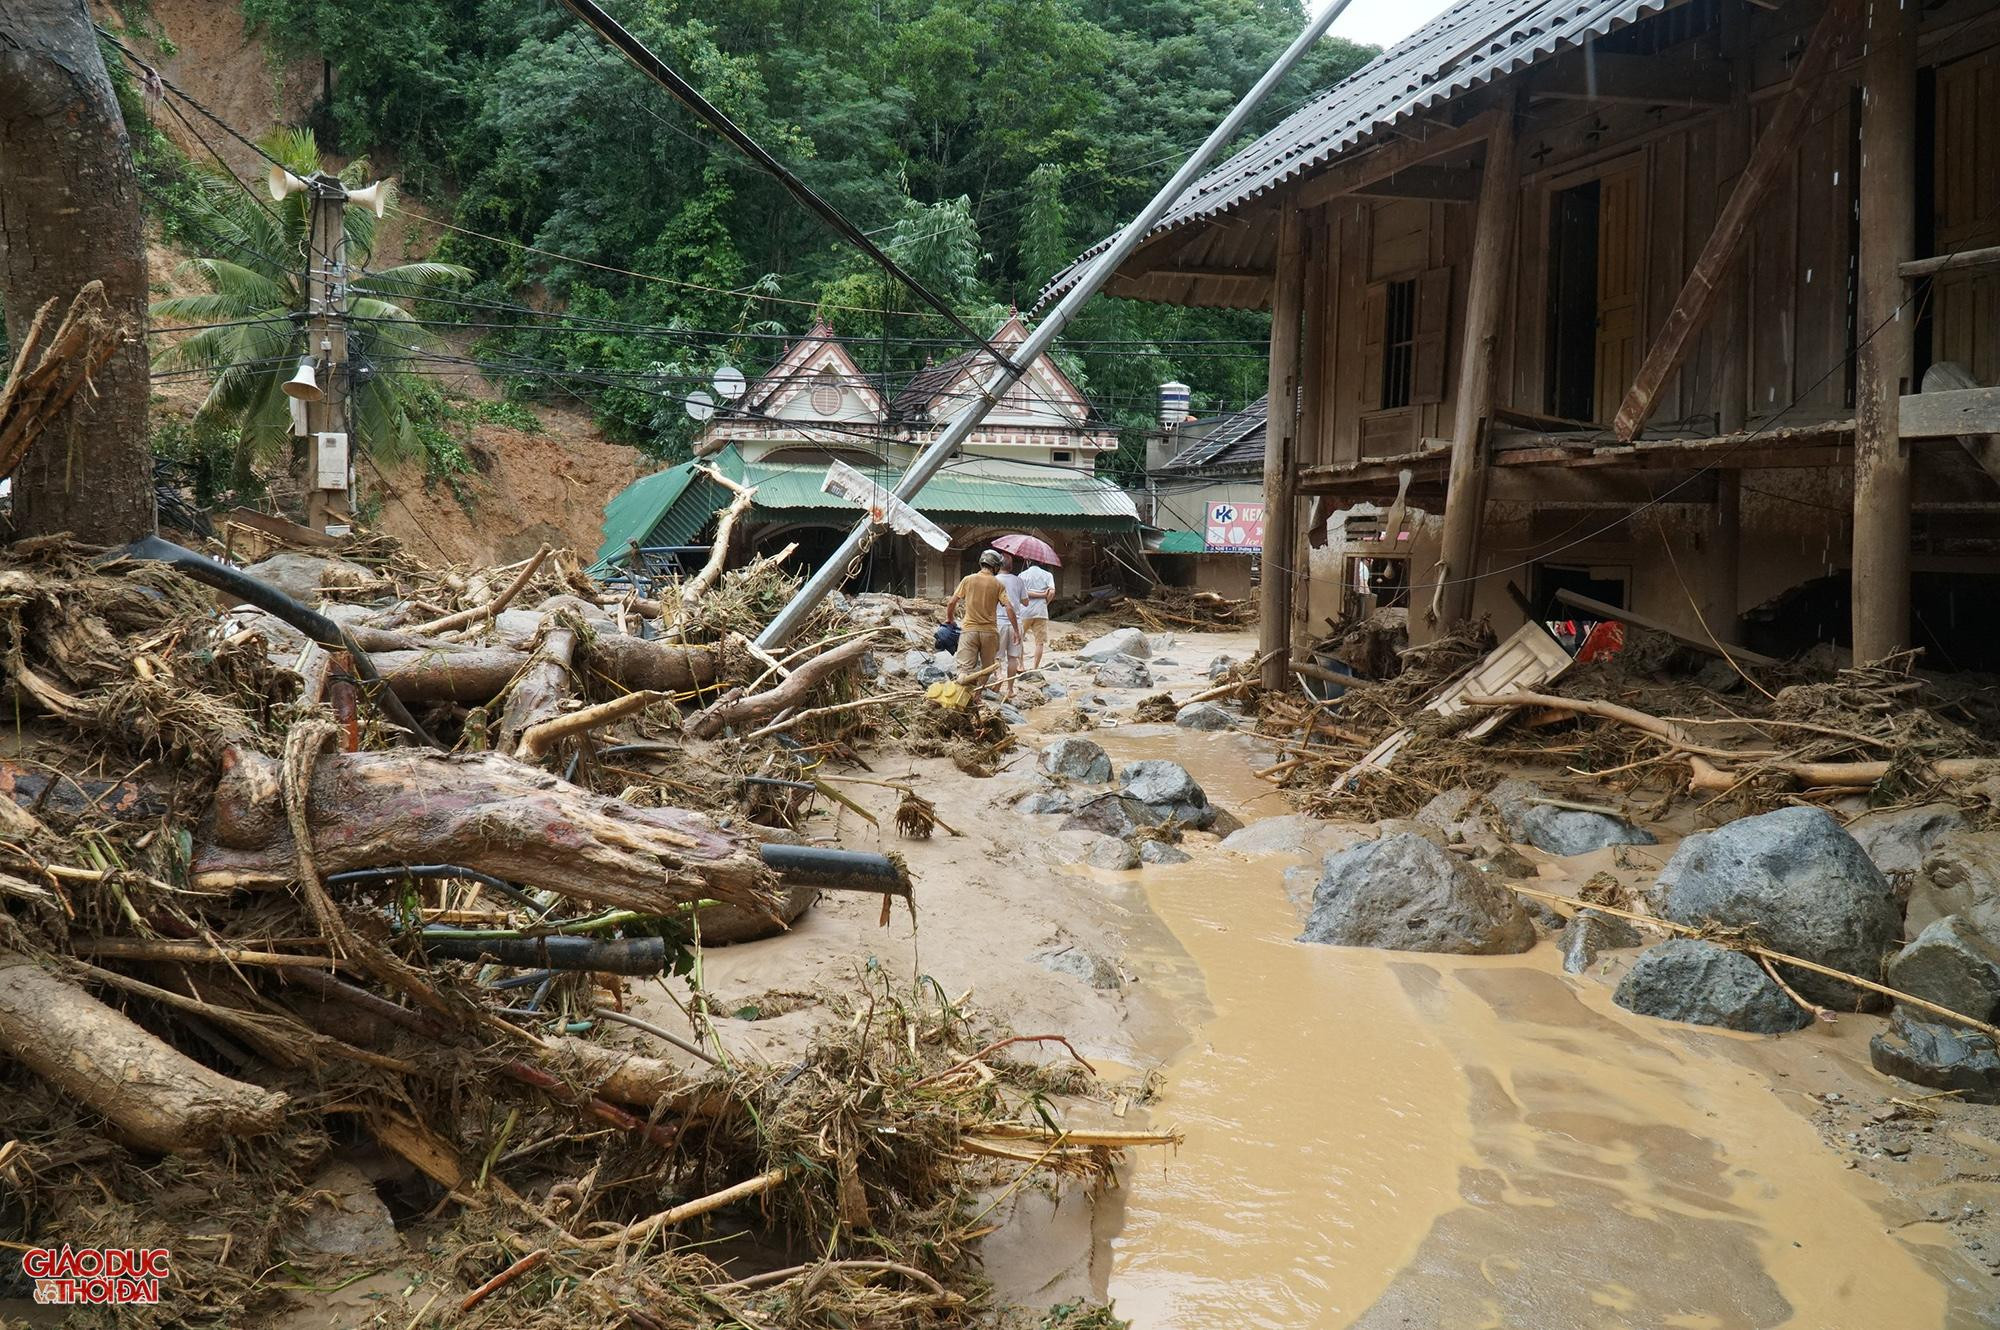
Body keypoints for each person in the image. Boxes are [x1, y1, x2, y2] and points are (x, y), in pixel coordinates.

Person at [944, 549, 1018, 691]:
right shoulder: (998, 584)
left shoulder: (968, 579)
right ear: (996, 566)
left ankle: (963, 686)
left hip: (969, 630)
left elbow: (952, 602)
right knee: (987, 667)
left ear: (981, 563)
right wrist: (1016, 630)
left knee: (964, 668)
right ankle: (978, 695)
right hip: (990, 633)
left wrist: (950, 619)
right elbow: (1009, 607)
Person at [994, 553, 1026, 700]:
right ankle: (1010, 689)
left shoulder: (993, 580)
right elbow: (1025, 602)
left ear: (998, 565)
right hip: (1015, 624)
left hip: (998, 623)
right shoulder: (1018, 580)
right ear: (1011, 566)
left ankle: (998, 676)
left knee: (996, 655)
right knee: (1013, 657)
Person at [1016, 556, 1055, 670]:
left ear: (1028, 562)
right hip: (1041, 612)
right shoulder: (1048, 575)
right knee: (1039, 642)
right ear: (1041, 562)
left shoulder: (1022, 575)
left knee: (1019, 639)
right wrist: (1045, 600)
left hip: (1024, 611)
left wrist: (1032, 594)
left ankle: (1021, 665)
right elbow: (1052, 591)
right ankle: (1035, 667)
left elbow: (1021, 593)